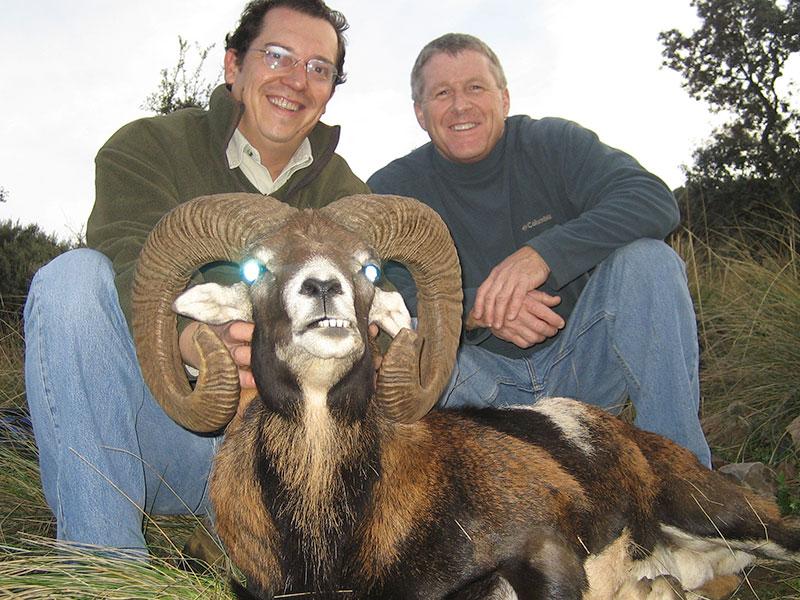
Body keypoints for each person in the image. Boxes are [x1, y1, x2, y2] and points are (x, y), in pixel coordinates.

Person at [24, 0, 369, 556]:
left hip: (280, 450)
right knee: (72, 280)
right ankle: (105, 565)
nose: (296, 79)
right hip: (155, 438)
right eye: (277, 55)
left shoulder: (348, 196)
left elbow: (384, 296)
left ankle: (262, 540)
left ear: (330, 89)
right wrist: (192, 341)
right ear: (234, 65)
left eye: (318, 68)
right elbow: (128, 256)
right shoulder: (149, 148)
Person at [368, 33, 711, 467]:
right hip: (475, 388)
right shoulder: (391, 190)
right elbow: (385, 291)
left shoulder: (553, 142)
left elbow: (651, 199)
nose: (460, 106)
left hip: (582, 366)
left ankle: (685, 471)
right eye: (442, 94)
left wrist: (543, 255)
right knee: (405, 335)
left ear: (504, 98)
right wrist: (476, 311)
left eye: (475, 87)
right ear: (420, 112)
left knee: (649, 261)